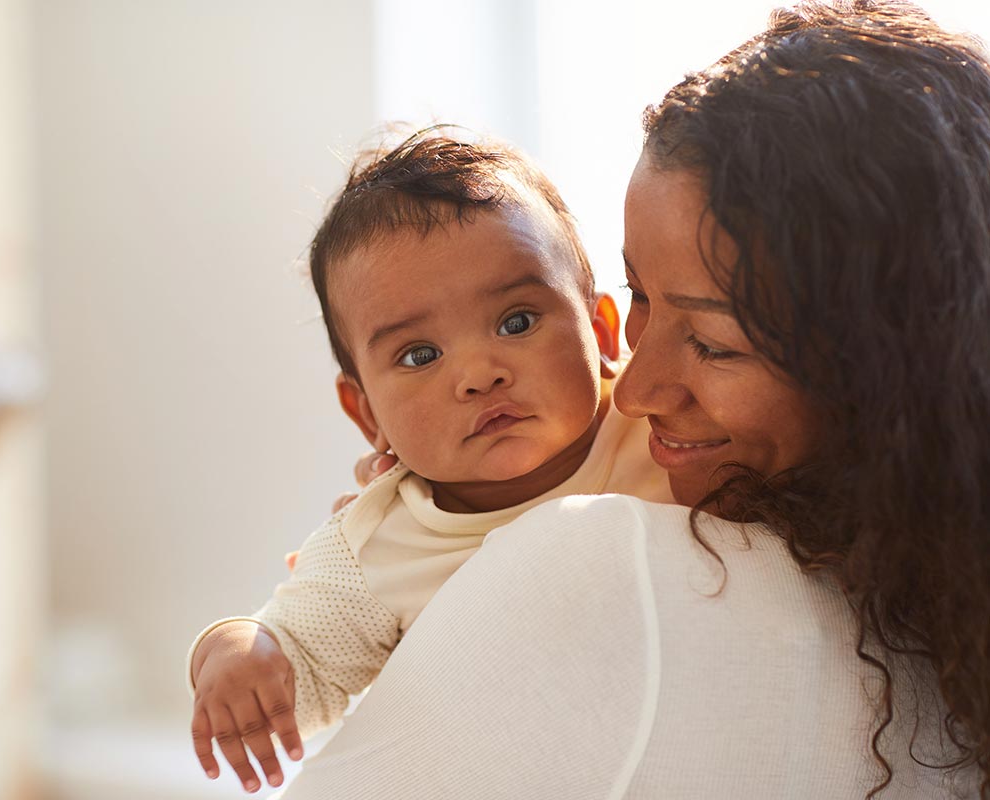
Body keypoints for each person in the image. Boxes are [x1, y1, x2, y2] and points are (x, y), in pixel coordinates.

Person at [271, 2, 990, 797]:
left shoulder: (595, 561)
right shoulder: (942, 619)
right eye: (640, 295)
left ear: (890, 374)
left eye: (714, 343)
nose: (635, 391)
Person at [186, 128, 671, 793]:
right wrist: (234, 651)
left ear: (602, 332)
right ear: (366, 415)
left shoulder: (661, 426)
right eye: (418, 355)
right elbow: (301, 664)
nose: (477, 374)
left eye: (517, 321)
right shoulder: (378, 539)